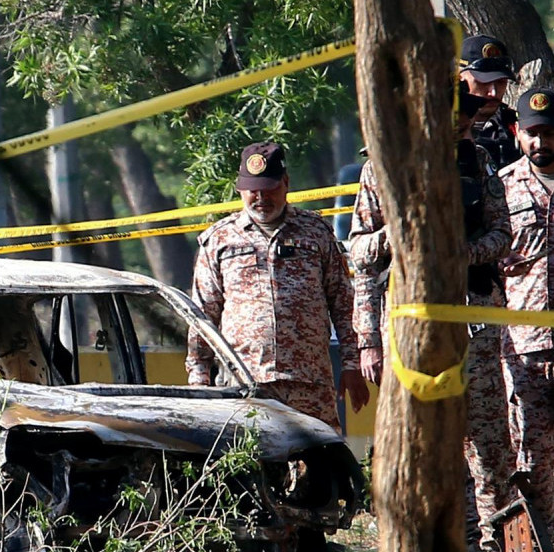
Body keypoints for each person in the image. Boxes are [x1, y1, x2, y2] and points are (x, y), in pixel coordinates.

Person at [350, 85, 515, 551]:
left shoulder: (477, 162)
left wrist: (461, 254)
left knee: (488, 446)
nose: (461, 132)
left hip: (474, 320)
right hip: (410, 329)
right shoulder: (381, 170)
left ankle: (495, 540)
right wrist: (368, 339)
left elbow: (503, 233)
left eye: (465, 125)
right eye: (452, 125)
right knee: (425, 446)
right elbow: (360, 256)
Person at [186, 142, 369, 433]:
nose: (261, 198)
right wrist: (199, 379)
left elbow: (344, 303)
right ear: (240, 190)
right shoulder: (219, 241)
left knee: (320, 467)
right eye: (253, 191)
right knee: (254, 468)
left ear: (286, 184)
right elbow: (203, 316)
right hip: (245, 383)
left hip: (309, 382)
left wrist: (352, 364)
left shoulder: (316, 232)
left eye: (269, 189)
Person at [497, 87, 554, 534]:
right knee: (533, 459)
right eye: (532, 133)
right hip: (525, 349)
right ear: (517, 133)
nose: (541, 142)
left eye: (549, 132)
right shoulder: (500, 188)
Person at [459, 34, 521, 169]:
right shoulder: (443, 127)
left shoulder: (519, 127)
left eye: (500, 82)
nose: (493, 92)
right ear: (459, 78)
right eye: (483, 82)